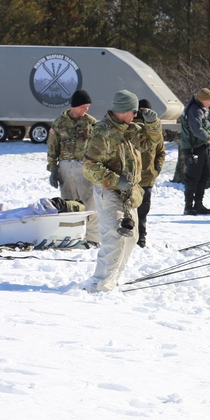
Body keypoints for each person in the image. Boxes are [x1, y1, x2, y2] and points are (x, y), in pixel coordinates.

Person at [83, 90, 143, 293]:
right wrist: (117, 181)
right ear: (124, 110)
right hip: (109, 191)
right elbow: (89, 167)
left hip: (128, 193)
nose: (135, 115)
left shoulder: (128, 130)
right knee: (114, 237)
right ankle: (100, 285)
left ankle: (112, 280)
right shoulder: (103, 132)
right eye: (134, 111)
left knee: (131, 237)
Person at [46, 89, 99, 246]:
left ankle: (92, 238)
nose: (85, 110)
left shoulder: (91, 123)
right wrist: (53, 168)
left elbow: (98, 147)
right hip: (65, 166)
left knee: (89, 202)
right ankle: (69, 236)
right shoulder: (59, 123)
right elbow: (53, 146)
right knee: (68, 202)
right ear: (74, 106)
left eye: (88, 107)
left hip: (84, 166)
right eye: (83, 107)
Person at [133, 99, 165, 248]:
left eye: (145, 111)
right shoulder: (130, 127)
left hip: (147, 177)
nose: (143, 113)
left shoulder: (154, 129)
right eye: (141, 110)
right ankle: (129, 237)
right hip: (130, 178)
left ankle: (141, 238)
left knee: (143, 211)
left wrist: (156, 169)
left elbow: (161, 152)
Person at [180, 88, 210, 215]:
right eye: (209, 100)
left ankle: (198, 204)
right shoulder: (194, 110)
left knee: (204, 175)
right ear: (202, 100)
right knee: (193, 177)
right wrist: (208, 137)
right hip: (193, 148)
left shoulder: (200, 109)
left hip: (200, 146)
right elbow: (197, 129)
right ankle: (188, 206)